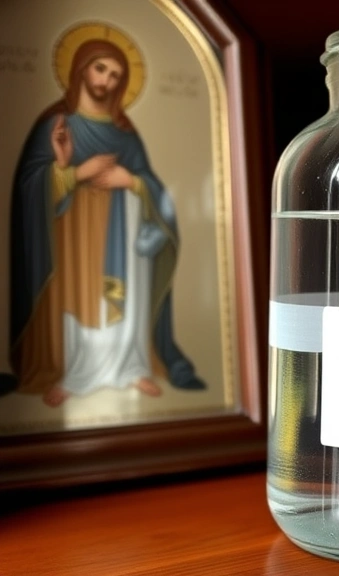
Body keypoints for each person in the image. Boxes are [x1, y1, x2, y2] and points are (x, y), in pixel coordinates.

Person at [6, 37, 204, 407]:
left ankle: (131, 367)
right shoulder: (56, 125)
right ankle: (70, 374)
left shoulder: (125, 135)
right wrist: (71, 171)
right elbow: (30, 187)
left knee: (124, 299)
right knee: (77, 298)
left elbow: (155, 188)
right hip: (72, 236)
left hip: (122, 234)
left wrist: (130, 182)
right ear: (81, 69)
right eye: (101, 69)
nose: (107, 81)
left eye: (116, 75)